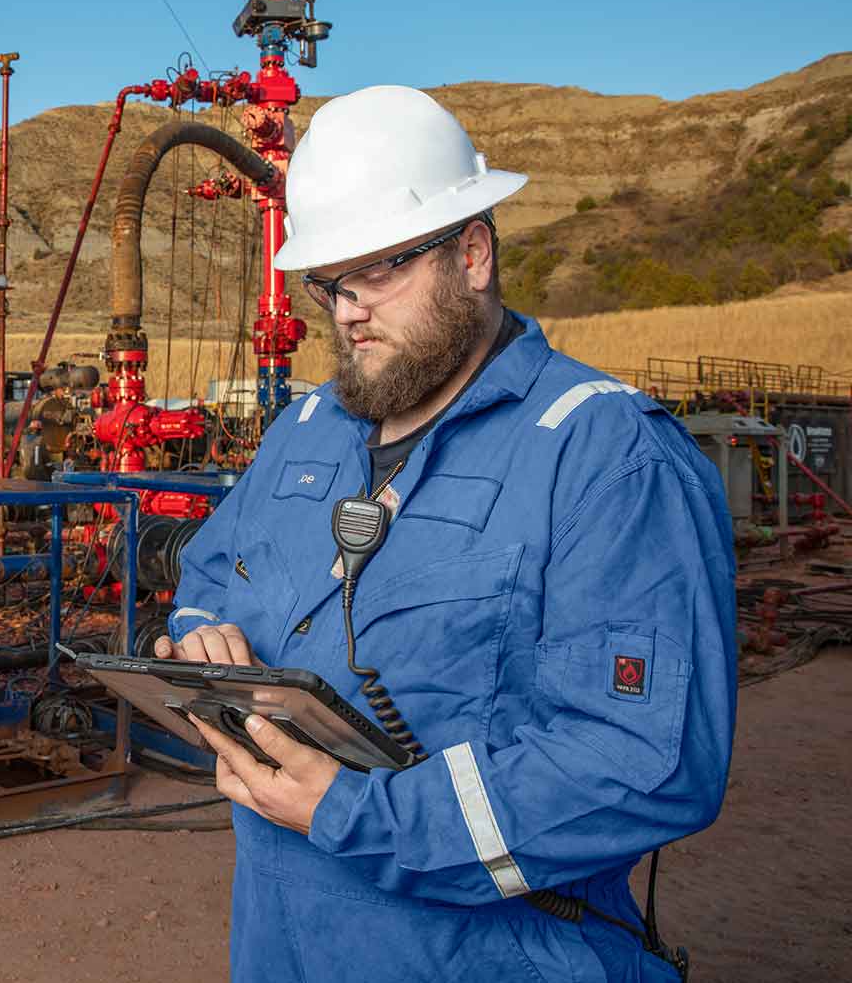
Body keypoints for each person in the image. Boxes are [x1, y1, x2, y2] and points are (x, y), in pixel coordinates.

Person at [154, 85, 736, 983]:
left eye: (379, 271)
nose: (347, 311)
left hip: (493, 953)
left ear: (471, 254)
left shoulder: (606, 453)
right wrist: (201, 645)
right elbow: (209, 579)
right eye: (330, 283)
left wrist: (356, 814)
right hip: (281, 940)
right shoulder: (306, 433)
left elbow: (642, 762)